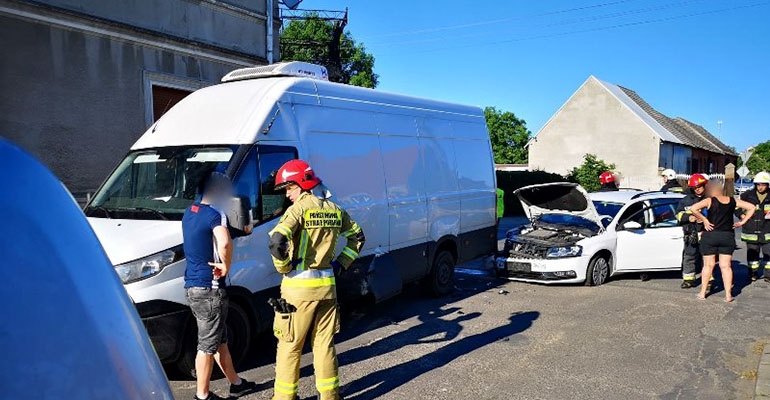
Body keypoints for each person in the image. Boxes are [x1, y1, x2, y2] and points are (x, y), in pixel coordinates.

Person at [268, 159, 365, 400]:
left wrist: (284, 267)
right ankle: (330, 396)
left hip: (297, 292)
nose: (287, 194)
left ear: (301, 184)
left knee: (290, 346)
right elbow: (358, 237)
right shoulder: (334, 209)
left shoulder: (298, 210)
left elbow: (276, 241)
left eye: (289, 188)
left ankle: (284, 398)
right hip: (327, 290)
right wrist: (341, 263)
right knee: (324, 345)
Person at [182, 172, 256, 400]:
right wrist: (226, 265)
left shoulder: (189, 213)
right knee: (207, 345)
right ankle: (202, 395)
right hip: (211, 288)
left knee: (219, 339)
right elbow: (223, 242)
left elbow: (206, 237)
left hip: (192, 286)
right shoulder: (216, 215)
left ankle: (236, 383)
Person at [688, 182, 755, 302]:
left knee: (708, 265)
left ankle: (702, 293)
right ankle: (728, 295)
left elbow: (693, 208)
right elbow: (752, 207)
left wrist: (704, 220)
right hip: (727, 236)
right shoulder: (732, 200)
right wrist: (742, 222)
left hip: (711, 235)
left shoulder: (709, 200)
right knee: (726, 266)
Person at [675, 173, 709, 289]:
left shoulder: (710, 199)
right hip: (691, 233)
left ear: (704, 185)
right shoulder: (686, 200)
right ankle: (689, 280)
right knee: (689, 256)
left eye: (699, 187)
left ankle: (709, 281)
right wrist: (688, 218)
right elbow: (678, 215)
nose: (697, 189)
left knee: (708, 259)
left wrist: (704, 220)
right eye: (694, 188)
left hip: (706, 233)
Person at [736, 171, 770, 282]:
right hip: (750, 230)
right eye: (758, 184)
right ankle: (752, 274)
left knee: (768, 255)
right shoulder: (747, 195)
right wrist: (741, 215)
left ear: (768, 185)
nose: (760, 187)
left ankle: (768, 275)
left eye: (763, 185)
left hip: (767, 230)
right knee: (752, 256)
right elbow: (736, 207)